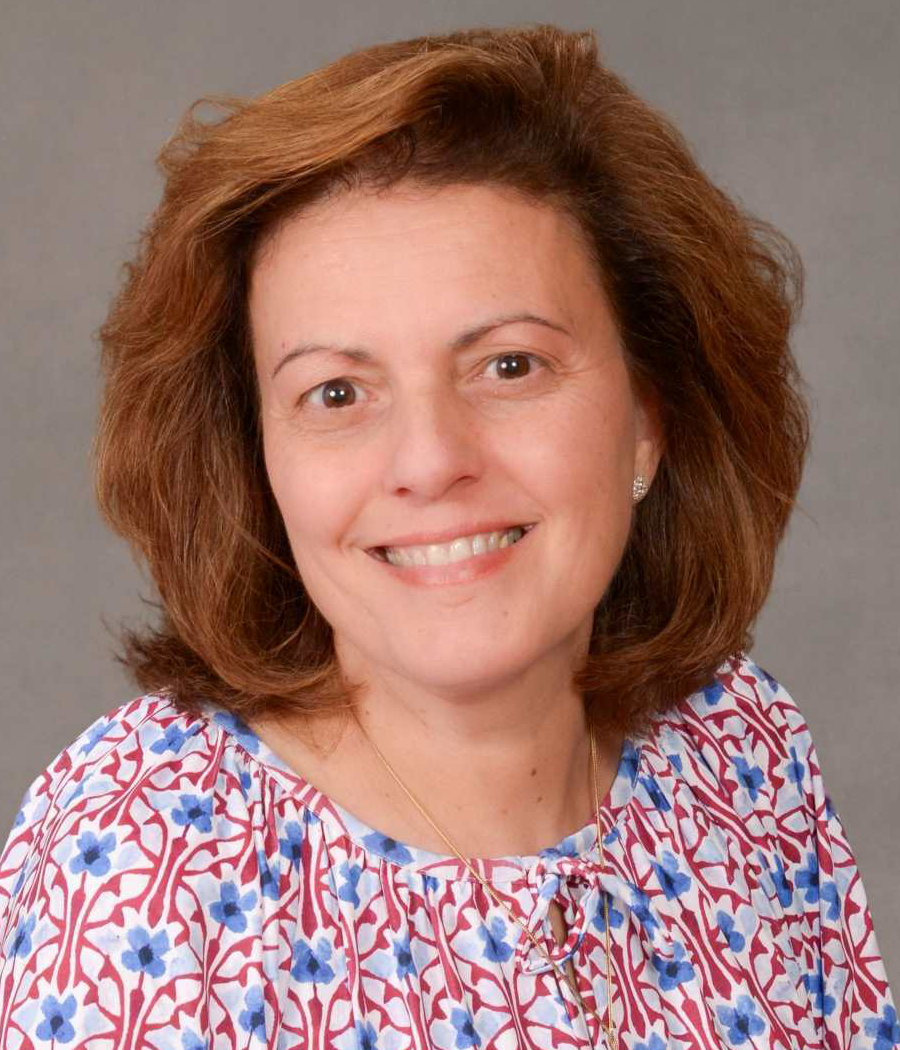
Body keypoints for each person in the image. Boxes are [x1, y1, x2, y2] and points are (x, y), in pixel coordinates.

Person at [0, 23, 895, 1050]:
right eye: (336, 393)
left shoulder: (739, 746)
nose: (430, 460)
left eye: (509, 366)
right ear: (255, 465)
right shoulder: (142, 861)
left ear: (648, 417)